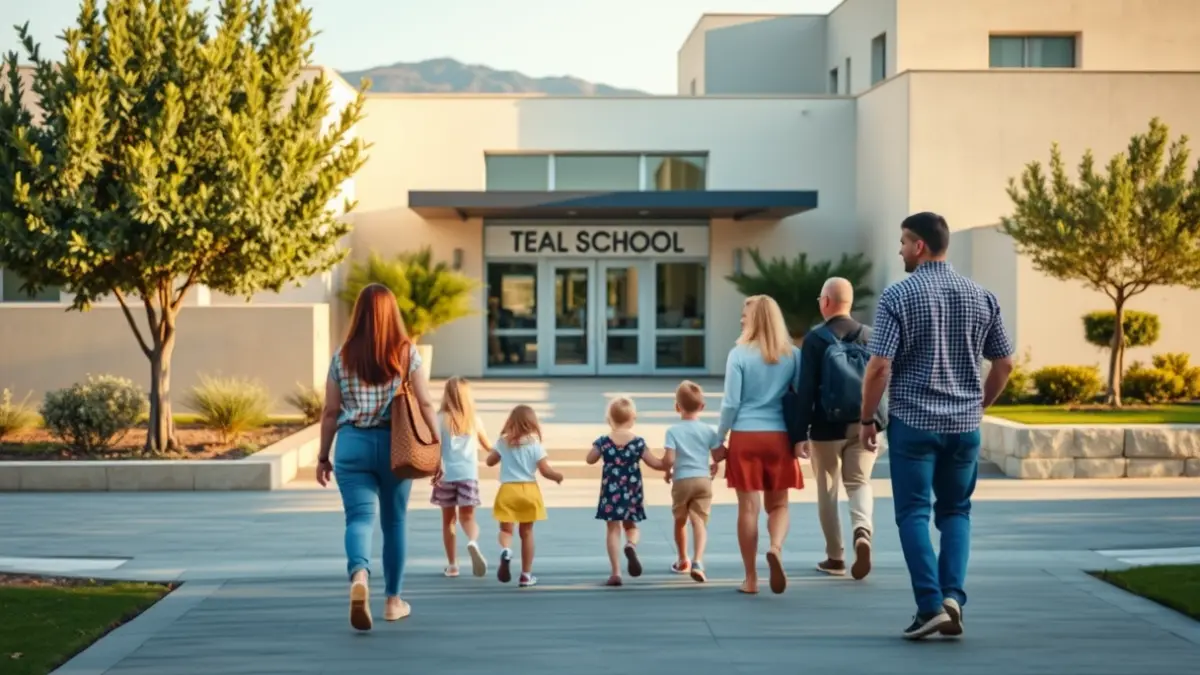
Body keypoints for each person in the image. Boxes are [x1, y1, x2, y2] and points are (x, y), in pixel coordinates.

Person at [860, 212, 1014, 640]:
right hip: (964, 427)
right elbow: (1004, 363)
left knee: (912, 513)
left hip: (913, 424)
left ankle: (929, 604)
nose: (900, 250)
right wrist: (978, 405)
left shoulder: (898, 296)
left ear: (920, 246)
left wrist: (866, 417)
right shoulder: (981, 295)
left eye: (904, 242)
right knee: (956, 512)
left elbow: (879, 367)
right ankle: (952, 599)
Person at [315, 283, 437, 632]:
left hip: (352, 445)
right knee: (394, 522)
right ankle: (393, 601)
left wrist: (323, 456)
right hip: (395, 444)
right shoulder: (406, 353)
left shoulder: (341, 357)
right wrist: (437, 442)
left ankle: (359, 575)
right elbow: (426, 403)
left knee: (359, 519)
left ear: (359, 314)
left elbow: (329, 412)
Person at [786, 277, 882, 580]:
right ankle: (862, 529)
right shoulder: (869, 335)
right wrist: (877, 422)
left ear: (826, 301)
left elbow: (807, 391)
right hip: (864, 423)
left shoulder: (816, 340)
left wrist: (799, 434)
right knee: (859, 482)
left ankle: (835, 557)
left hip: (827, 428)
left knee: (827, 490)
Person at [716, 294, 804, 595]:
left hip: (745, 436)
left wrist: (719, 439)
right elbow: (802, 399)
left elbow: (731, 403)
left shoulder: (738, 355)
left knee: (748, 509)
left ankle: (751, 578)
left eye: (745, 314)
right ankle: (776, 548)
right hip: (780, 437)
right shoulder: (793, 354)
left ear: (755, 319)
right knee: (778, 504)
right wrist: (801, 437)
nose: (741, 318)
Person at [586, 397, 667, 587]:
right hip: (632, 491)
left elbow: (590, 459)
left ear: (609, 419)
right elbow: (655, 463)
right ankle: (630, 545)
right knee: (631, 526)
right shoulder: (638, 443)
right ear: (633, 419)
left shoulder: (604, 442)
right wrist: (669, 464)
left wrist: (600, 451)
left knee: (612, 529)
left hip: (610, 492)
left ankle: (615, 573)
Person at [486, 404, 564, 588]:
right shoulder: (535, 445)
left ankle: (506, 550)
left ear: (510, 422)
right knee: (527, 533)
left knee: (506, 530)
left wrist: (497, 452)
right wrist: (557, 476)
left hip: (508, 491)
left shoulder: (503, 442)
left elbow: (490, 462)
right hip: (528, 491)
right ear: (532, 424)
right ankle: (526, 575)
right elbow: (545, 470)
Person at [662, 380, 722, 583]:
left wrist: (667, 470)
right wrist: (715, 463)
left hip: (681, 481)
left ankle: (682, 560)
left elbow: (669, 459)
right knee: (699, 521)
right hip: (703, 480)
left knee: (680, 521)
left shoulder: (673, 431)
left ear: (677, 407)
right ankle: (698, 560)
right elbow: (718, 453)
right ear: (702, 407)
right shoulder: (709, 430)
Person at [430, 376, 491, 578]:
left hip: (445, 475)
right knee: (468, 518)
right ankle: (472, 541)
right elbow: (489, 447)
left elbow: (434, 449)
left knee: (449, 521)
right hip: (468, 475)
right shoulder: (474, 420)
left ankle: (452, 565)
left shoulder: (439, 419)